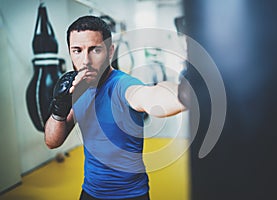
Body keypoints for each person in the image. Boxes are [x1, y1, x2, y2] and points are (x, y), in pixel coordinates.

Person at [44, 15, 185, 200]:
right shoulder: (76, 89)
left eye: (95, 50)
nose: (85, 60)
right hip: (90, 191)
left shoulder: (123, 86)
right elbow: (52, 141)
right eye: (77, 50)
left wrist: (187, 92)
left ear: (110, 51)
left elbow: (152, 96)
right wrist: (59, 108)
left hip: (130, 195)